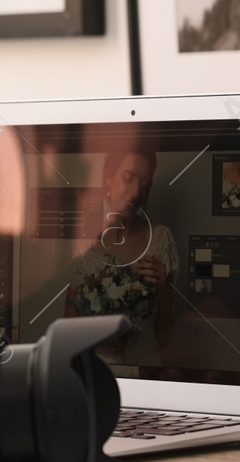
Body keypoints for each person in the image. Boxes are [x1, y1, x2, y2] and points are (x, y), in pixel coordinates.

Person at [62, 146, 177, 364]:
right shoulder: (83, 241)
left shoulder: (161, 239)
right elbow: (68, 325)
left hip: (145, 371)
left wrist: (163, 289)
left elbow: (166, 340)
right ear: (108, 176)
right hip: (96, 368)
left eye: (145, 185)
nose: (135, 193)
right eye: (128, 178)